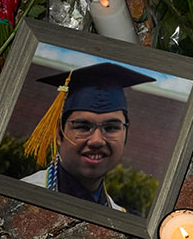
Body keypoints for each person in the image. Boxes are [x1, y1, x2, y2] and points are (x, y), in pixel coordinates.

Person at [21, 61, 154, 212]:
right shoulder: (20, 198)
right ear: (59, 133)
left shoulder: (125, 218)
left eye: (111, 128)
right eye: (83, 127)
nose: (96, 140)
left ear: (126, 136)